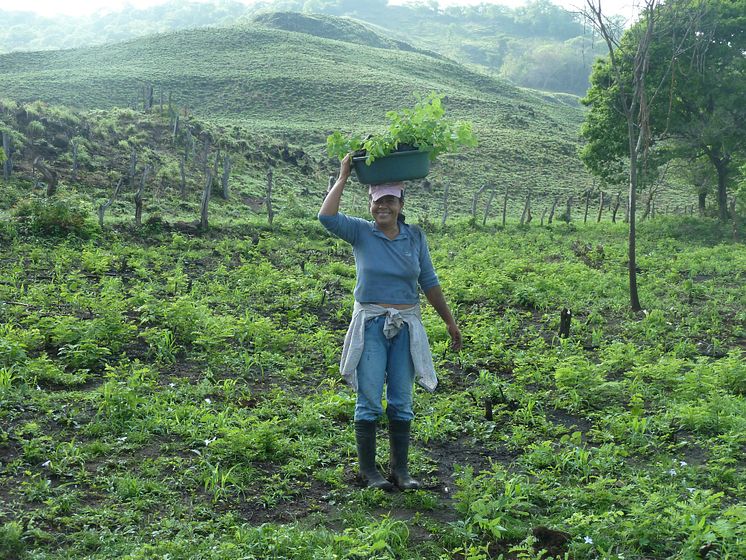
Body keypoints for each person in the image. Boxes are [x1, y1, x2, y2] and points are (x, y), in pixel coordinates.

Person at [318, 154, 462, 490]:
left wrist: (450, 323)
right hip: (370, 323)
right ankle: (369, 472)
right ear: (369, 203)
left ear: (401, 204)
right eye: (378, 200)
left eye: (390, 201)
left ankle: (401, 471)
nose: (384, 207)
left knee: (401, 398)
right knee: (369, 397)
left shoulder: (414, 237)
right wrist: (343, 175)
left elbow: (429, 281)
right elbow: (326, 217)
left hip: (407, 325)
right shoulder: (361, 232)